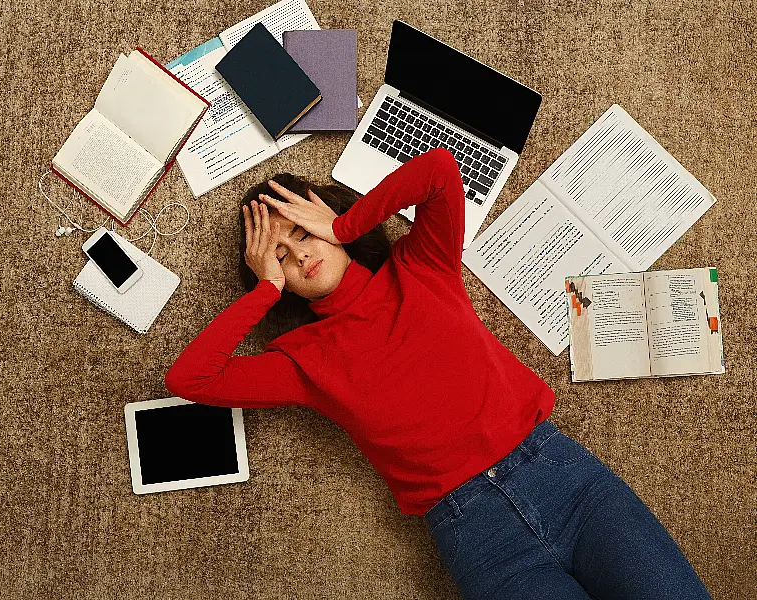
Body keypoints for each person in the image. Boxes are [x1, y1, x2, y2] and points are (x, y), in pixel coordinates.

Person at [164, 148, 712, 600]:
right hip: (477, 535)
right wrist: (264, 290)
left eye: (301, 233)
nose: (298, 254)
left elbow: (441, 170)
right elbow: (191, 379)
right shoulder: (300, 361)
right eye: (278, 254)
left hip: (565, 481)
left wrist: (341, 222)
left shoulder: (419, 263)